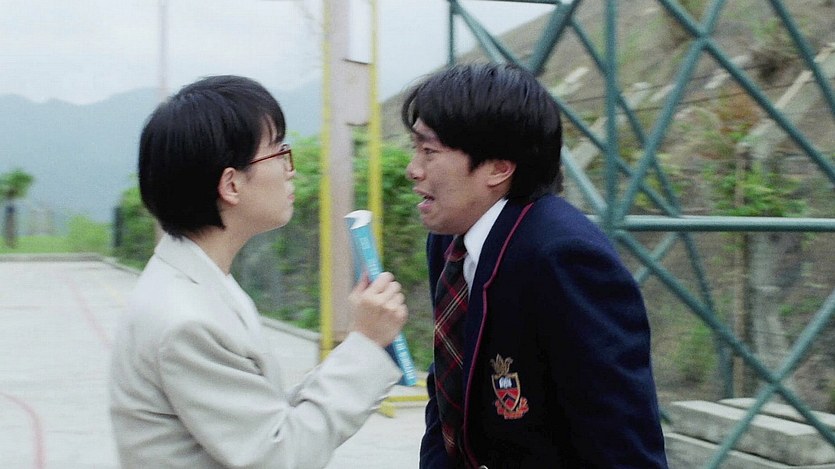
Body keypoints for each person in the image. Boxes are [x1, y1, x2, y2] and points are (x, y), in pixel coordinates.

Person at [109, 75, 408, 469]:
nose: (290, 170)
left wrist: (359, 341)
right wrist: (366, 343)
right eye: (279, 153)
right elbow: (278, 454)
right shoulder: (187, 322)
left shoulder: (197, 282)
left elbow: (262, 416)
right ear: (231, 184)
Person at [402, 63, 668, 468]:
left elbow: (621, 444)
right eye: (415, 148)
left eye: (429, 151)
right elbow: (447, 395)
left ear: (498, 167)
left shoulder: (565, 257)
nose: (413, 169)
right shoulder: (450, 241)